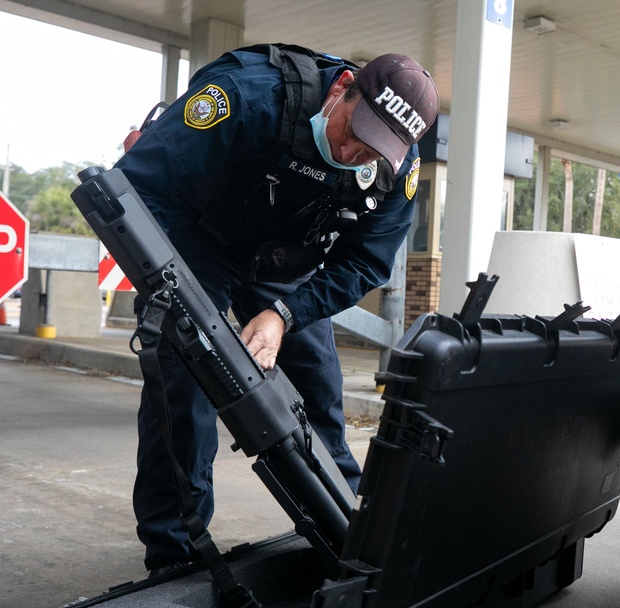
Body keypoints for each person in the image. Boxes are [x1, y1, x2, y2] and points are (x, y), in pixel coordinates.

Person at [115, 44, 439, 574]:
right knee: (185, 389)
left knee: (316, 401)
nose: (358, 153)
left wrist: (285, 314)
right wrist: (172, 287)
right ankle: (175, 557)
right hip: (199, 240)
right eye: (356, 133)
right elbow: (139, 184)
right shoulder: (248, 94)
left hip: (287, 262)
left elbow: (364, 263)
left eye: (376, 149)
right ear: (341, 89)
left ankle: (353, 546)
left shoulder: (395, 170)